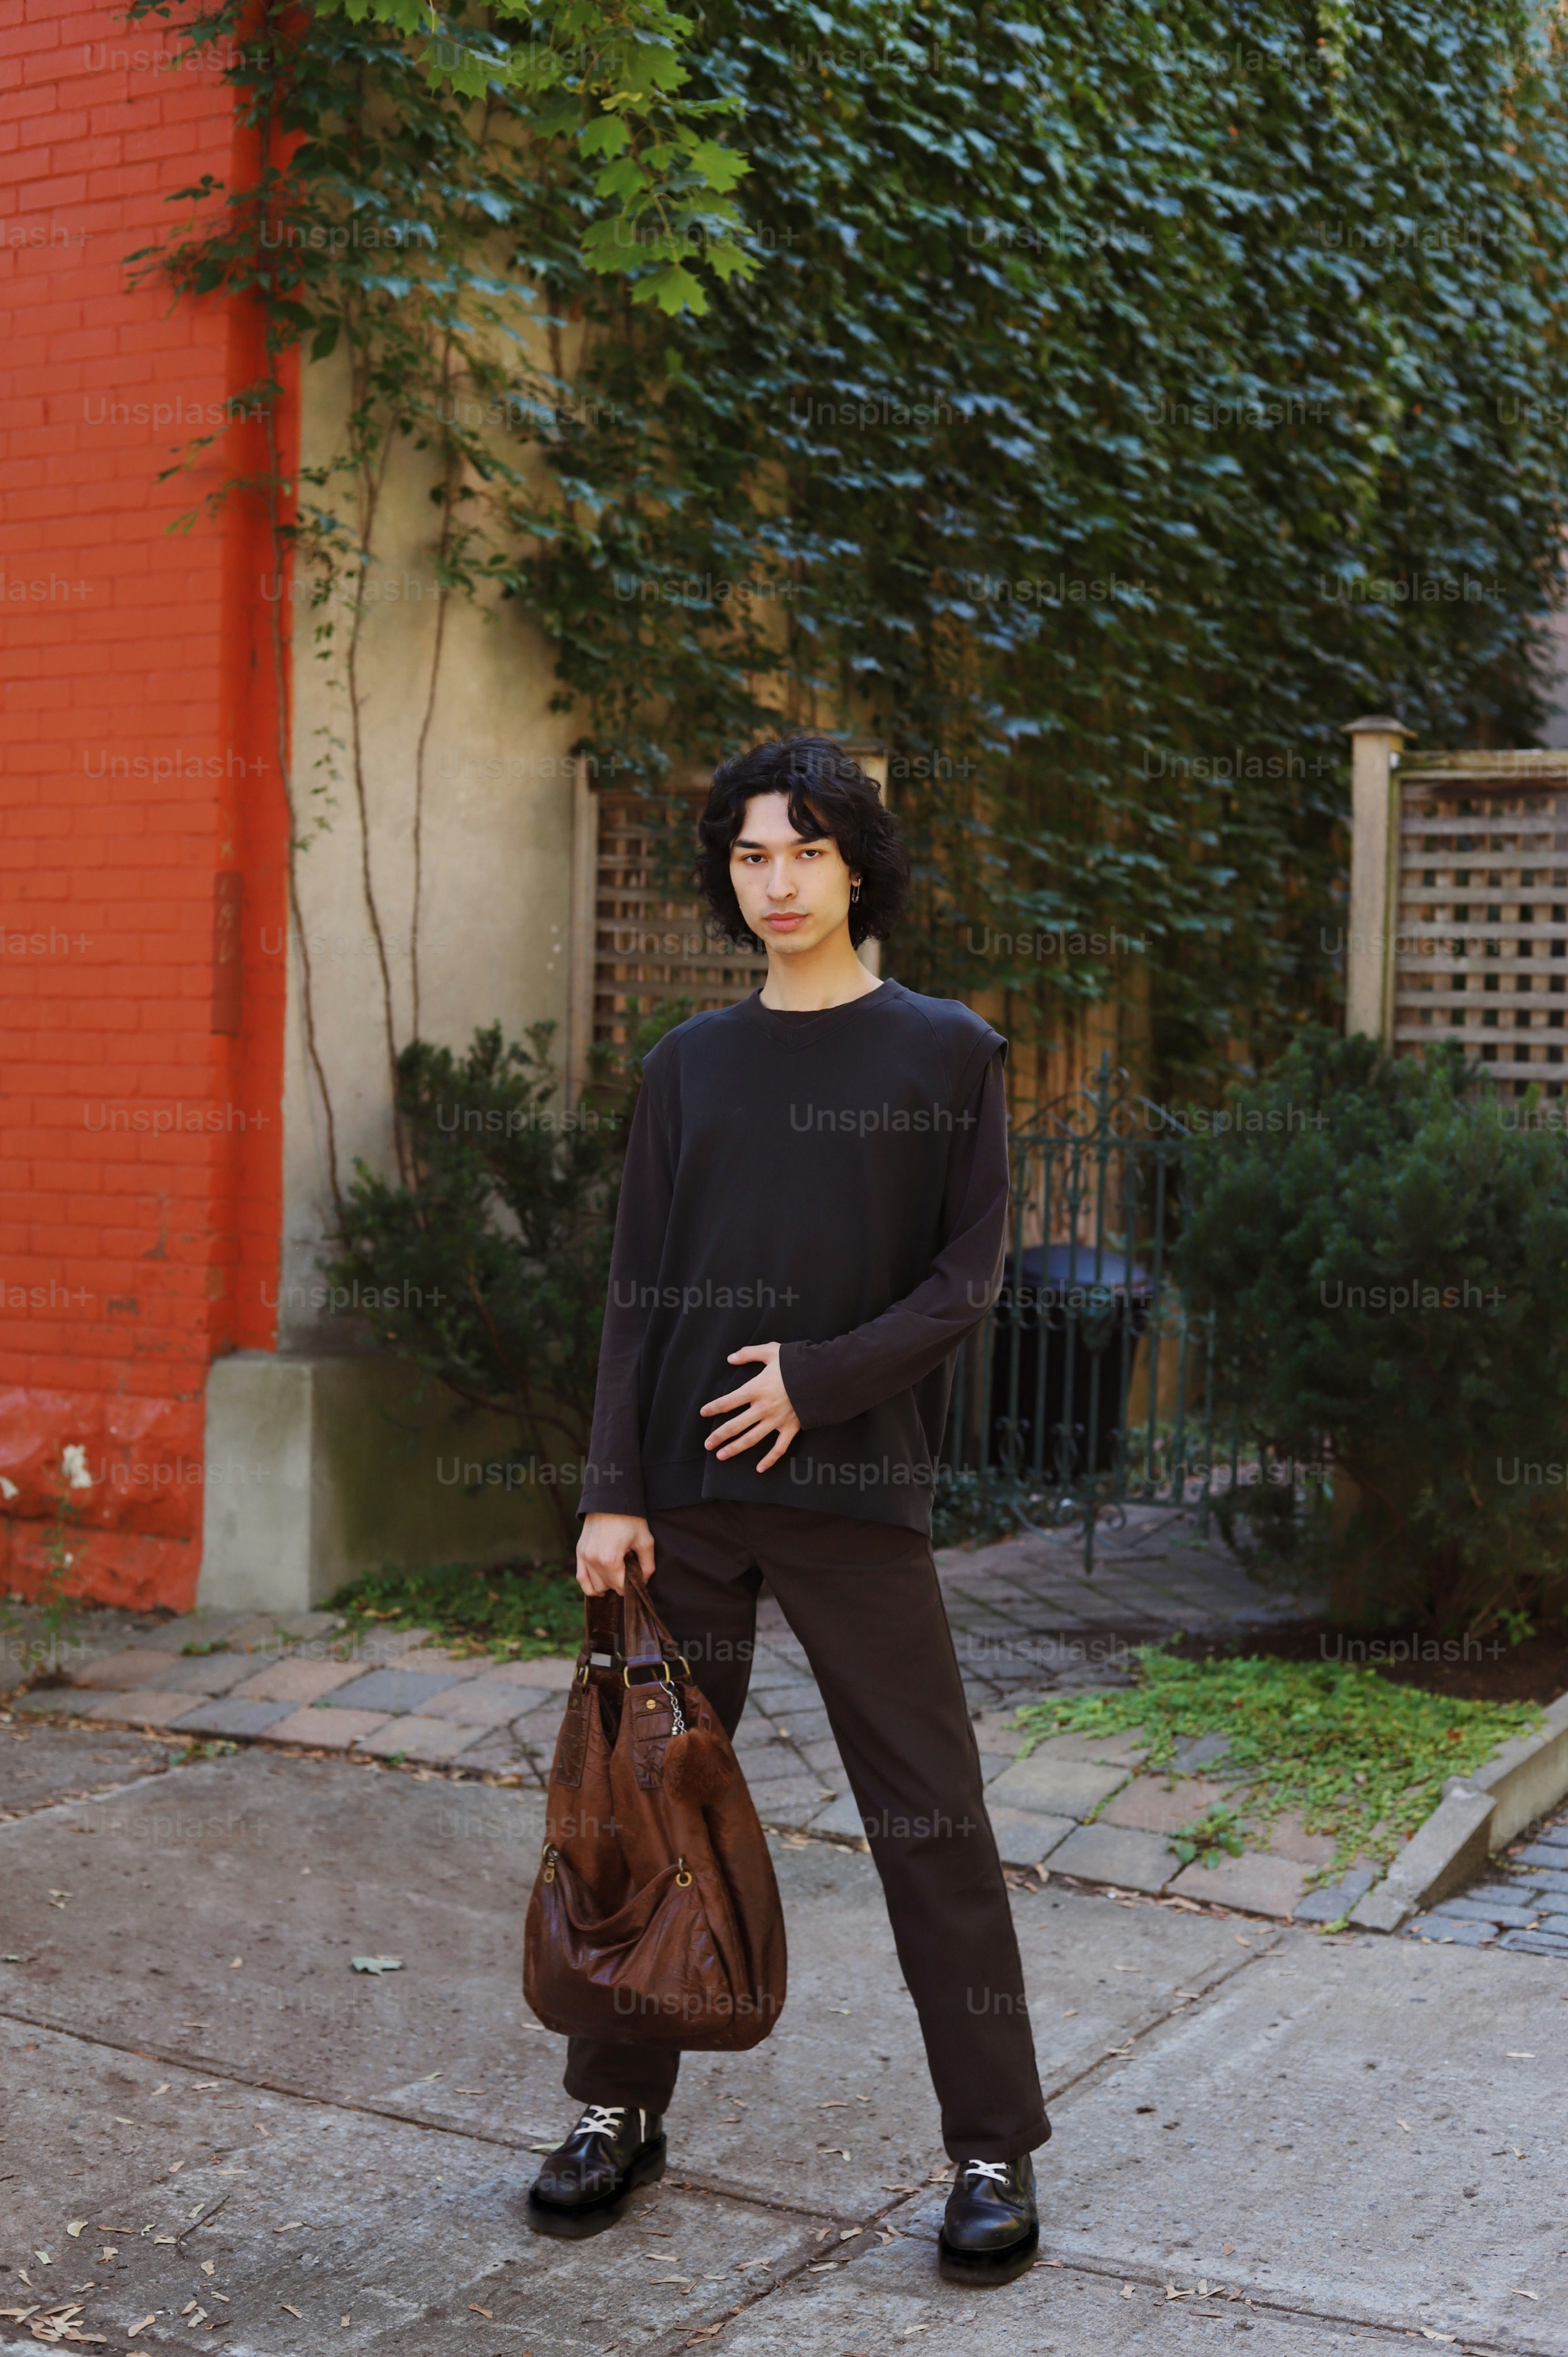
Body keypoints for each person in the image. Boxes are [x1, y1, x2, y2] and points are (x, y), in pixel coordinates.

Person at [528, 735, 1049, 2284]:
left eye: (807, 853)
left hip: (850, 1490)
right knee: (642, 1807)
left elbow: (967, 1285)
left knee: (930, 1816)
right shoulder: (689, 1064)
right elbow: (636, 1287)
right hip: (682, 1498)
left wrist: (815, 1383)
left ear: (858, 867)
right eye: (754, 855)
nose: (778, 882)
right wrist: (611, 1494)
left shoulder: (948, 1053)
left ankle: (991, 2148)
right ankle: (616, 2115)